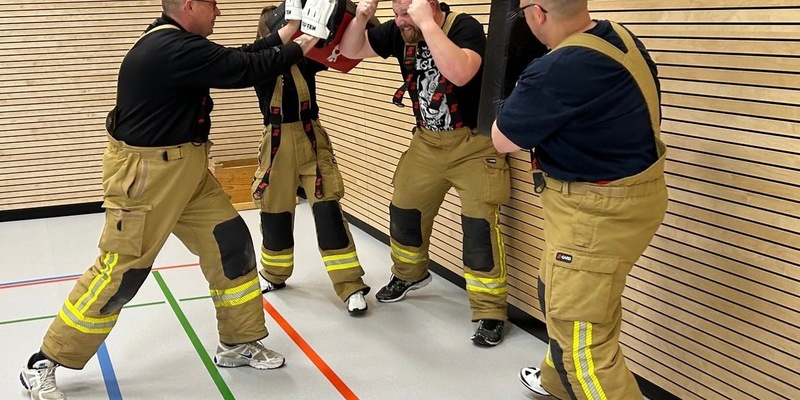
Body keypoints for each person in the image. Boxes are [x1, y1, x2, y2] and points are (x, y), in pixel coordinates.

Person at [19, 0, 322, 399]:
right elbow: (246, 69)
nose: (219, 11)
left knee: (231, 245)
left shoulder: (179, 43)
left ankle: (237, 342)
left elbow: (242, 56)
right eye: (213, 4)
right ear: (189, 5)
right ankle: (45, 362)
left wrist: (294, 27)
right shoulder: (169, 49)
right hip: (147, 179)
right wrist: (312, 39)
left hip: (189, 169)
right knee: (120, 273)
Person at [491, 0, 668, 398]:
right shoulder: (617, 37)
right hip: (622, 200)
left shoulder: (556, 69)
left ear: (537, 14)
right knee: (556, 291)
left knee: (582, 341)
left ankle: (569, 375)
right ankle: (555, 382)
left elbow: (503, 138)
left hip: (596, 213)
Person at [340, 0, 512, 346]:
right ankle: (409, 275)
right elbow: (350, 50)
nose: (400, 20)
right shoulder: (400, 29)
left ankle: (490, 311)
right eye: (396, 12)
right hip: (426, 144)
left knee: (478, 227)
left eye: (408, 12)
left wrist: (426, 24)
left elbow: (461, 73)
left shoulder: (464, 27)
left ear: (430, 5)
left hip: (473, 145)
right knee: (404, 209)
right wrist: (362, 17)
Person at [252, 5, 370, 314]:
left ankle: (350, 286)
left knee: (328, 211)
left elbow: (338, 51)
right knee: (274, 214)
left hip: (311, 140)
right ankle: (274, 274)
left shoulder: (306, 57)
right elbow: (263, 59)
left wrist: (352, 17)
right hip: (276, 144)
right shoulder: (259, 62)